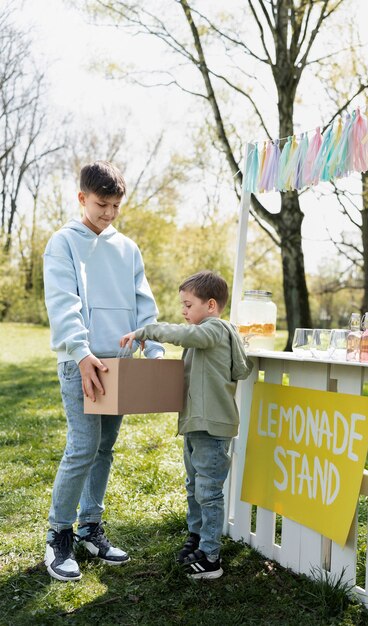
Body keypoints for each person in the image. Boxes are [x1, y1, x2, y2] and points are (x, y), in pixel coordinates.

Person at [43, 160, 164, 582]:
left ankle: (90, 526)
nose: (109, 214)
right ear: (82, 198)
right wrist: (79, 351)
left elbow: (142, 303)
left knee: (105, 448)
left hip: (119, 365)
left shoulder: (127, 248)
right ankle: (58, 536)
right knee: (82, 447)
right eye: (101, 205)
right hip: (82, 363)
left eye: (115, 206)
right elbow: (63, 303)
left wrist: (152, 350)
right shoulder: (63, 243)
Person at [120, 270, 253, 579]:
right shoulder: (206, 334)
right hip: (196, 426)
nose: (183, 311)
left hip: (212, 429)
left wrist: (146, 331)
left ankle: (210, 557)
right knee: (194, 487)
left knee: (208, 492)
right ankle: (196, 537)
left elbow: (184, 335)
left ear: (210, 305)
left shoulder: (215, 330)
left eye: (188, 305)